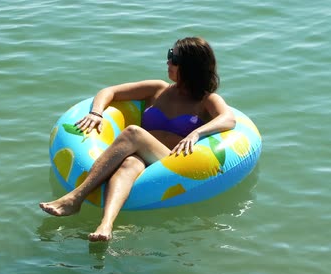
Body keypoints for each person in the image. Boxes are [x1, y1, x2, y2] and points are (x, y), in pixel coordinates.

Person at [39, 37, 236, 242]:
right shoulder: (158, 89)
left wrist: (196, 133)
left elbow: (229, 119)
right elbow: (110, 91)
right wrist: (96, 113)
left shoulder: (206, 100)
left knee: (133, 132)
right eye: (169, 54)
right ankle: (106, 225)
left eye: (173, 57)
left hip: (173, 161)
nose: (168, 61)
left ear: (190, 66)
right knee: (129, 164)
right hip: (141, 157)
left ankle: (76, 197)